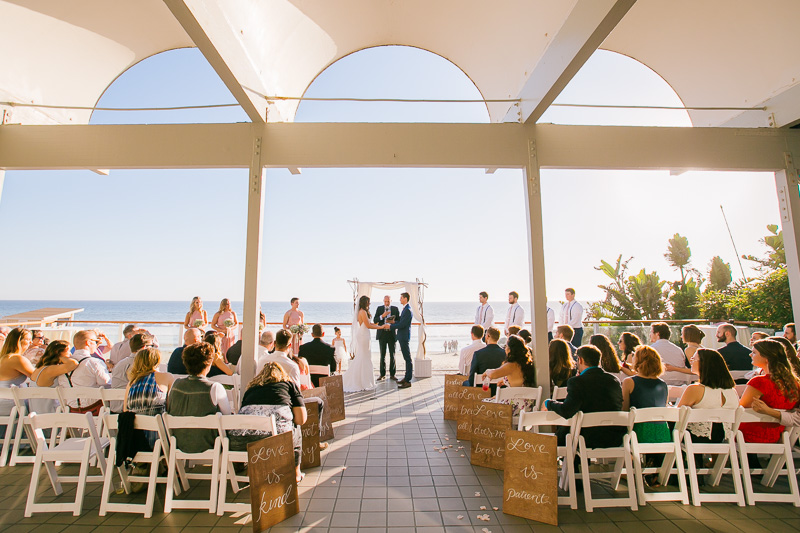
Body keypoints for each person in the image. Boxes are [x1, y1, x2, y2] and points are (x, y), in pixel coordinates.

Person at [228, 362, 307, 482]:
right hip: (275, 443)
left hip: (240, 442)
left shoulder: (251, 388)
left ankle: (241, 470)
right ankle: (296, 472)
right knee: (296, 428)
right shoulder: (289, 385)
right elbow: (301, 419)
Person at [543, 345, 625, 448]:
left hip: (585, 439)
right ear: (598, 361)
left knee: (566, 430)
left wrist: (549, 403)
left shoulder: (577, 382)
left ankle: (571, 463)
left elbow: (567, 411)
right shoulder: (614, 380)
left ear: (580, 360)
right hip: (614, 438)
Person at [166, 342, 232, 453]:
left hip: (179, 443)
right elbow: (227, 418)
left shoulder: (175, 384)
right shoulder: (214, 388)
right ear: (208, 364)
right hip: (209, 444)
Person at [677, 349, 738, 458]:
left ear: (703, 363)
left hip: (697, 437)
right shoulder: (732, 392)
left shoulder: (695, 389)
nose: (691, 361)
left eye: (694, 359)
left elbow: (679, 415)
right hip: (722, 437)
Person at [739, 339, 800, 445]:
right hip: (776, 435)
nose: (750, 355)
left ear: (766, 358)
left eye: (754, 352)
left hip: (749, 434)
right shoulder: (794, 383)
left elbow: (741, 408)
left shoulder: (759, 382)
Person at [622, 346, 670, 463]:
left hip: (638, 433)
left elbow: (624, 410)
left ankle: (629, 465)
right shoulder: (663, 384)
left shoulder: (629, 382)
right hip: (663, 434)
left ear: (637, 362)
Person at [124, 347, 174, 447]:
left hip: (134, 442)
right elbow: (171, 408)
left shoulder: (131, 383)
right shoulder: (166, 377)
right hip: (158, 440)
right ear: (157, 360)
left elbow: (125, 411)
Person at [58, 330, 111, 415]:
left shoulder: (62, 363)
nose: (97, 345)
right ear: (88, 342)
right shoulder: (94, 362)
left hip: (71, 410)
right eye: (96, 341)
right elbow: (106, 383)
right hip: (94, 409)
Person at [485, 335, 537, 415]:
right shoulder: (527, 363)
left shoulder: (511, 365)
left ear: (510, 349)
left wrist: (487, 371)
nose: (505, 348)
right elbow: (519, 380)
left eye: (506, 346)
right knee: (492, 399)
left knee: (483, 404)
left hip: (516, 406)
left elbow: (493, 375)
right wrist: (505, 381)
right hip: (528, 405)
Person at [343, 296, 387, 392]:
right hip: (363, 335)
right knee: (364, 357)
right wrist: (381, 327)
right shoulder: (362, 312)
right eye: (368, 302)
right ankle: (363, 381)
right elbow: (368, 325)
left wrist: (378, 325)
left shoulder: (362, 311)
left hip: (364, 334)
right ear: (364, 303)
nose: (369, 304)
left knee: (363, 356)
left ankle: (363, 380)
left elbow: (369, 324)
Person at [27, 340, 79, 415]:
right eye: (68, 351)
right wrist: (60, 357)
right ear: (59, 352)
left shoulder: (40, 368)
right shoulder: (49, 370)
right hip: (48, 415)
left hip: (36, 412)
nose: (71, 354)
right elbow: (73, 364)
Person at [109, 333, 153, 413]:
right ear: (144, 347)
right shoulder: (142, 365)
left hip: (113, 410)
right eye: (151, 346)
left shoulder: (120, 363)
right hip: (129, 412)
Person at [0, 328, 35, 425]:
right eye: (28, 339)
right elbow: (37, 377)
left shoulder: (4, 357)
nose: (31, 342)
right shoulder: (17, 359)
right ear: (18, 341)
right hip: (11, 405)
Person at [463, 327, 505, 393]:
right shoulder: (505, 353)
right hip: (499, 390)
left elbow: (472, 379)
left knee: (465, 383)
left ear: (487, 336)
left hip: (482, 390)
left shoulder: (478, 354)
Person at [390, 292, 414, 389]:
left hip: (404, 337)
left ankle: (408, 380)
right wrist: (394, 322)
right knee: (406, 358)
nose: (400, 299)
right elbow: (400, 322)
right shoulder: (405, 309)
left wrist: (390, 326)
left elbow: (402, 325)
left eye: (401, 298)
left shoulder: (408, 310)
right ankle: (406, 377)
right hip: (402, 336)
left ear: (405, 298)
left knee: (407, 358)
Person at [374, 295, 399, 381]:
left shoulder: (395, 309)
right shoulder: (379, 308)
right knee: (382, 355)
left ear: (391, 301)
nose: (387, 303)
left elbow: (399, 321)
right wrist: (382, 316)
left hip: (391, 334)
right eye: (385, 302)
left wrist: (393, 322)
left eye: (388, 302)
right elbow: (375, 320)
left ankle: (392, 375)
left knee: (392, 355)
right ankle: (382, 374)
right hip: (382, 334)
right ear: (383, 301)